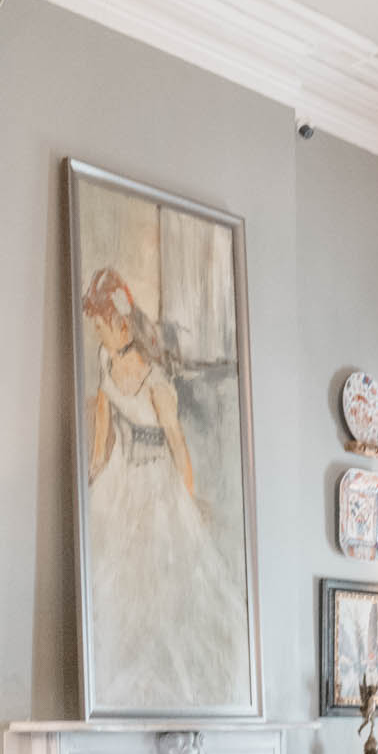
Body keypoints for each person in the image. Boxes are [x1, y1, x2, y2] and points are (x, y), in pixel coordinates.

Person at [80, 267, 249, 708]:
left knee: (160, 576)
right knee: (109, 571)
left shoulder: (155, 381)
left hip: (156, 478)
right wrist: (94, 473)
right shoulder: (106, 360)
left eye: (100, 325)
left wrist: (188, 501)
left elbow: (177, 444)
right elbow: (102, 420)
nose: (97, 333)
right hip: (122, 472)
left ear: (120, 324)